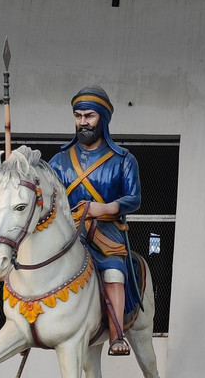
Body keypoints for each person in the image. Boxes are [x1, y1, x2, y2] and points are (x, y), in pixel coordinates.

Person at [50, 85, 142, 356]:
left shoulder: (123, 159)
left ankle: (116, 335)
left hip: (106, 233)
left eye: (89, 116)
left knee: (114, 272)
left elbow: (134, 198)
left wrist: (105, 208)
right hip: (68, 233)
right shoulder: (58, 161)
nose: (83, 122)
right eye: (78, 116)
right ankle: (27, 322)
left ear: (103, 118)